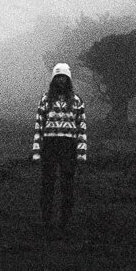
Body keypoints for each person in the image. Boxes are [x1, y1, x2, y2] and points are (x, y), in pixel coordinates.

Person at [31, 62, 87, 234]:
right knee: (47, 183)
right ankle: (47, 220)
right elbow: (39, 125)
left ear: (68, 79)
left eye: (64, 77)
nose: (61, 80)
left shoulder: (77, 101)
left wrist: (82, 152)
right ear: (54, 79)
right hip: (50, 145)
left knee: (67, 184)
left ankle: (65, 222)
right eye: (58, 77)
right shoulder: (45, 100)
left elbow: (82, 127)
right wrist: (36, 151)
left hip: (68, 146)